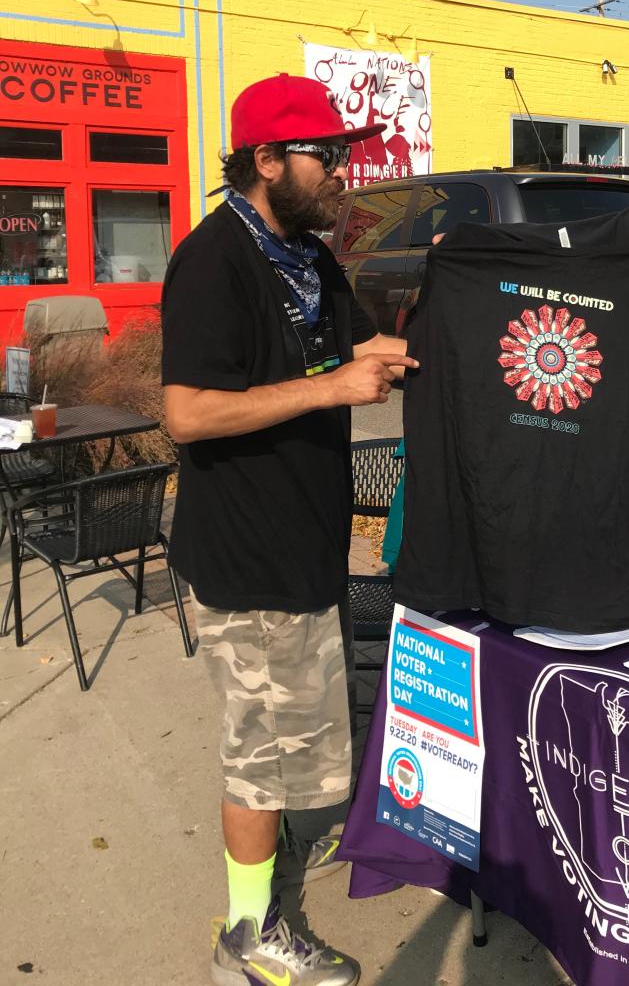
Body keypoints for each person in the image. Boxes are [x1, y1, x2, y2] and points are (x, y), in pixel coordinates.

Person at [161, 73, 417, 986]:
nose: (345, 170)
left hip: (303, 544)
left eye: (345, 152)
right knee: (262, 757)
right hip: (248, 554)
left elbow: (341, 351)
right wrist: (332, 388)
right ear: (268, 160)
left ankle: (260, 902)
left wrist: (392, 355)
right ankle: (247, 935)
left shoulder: (306, 256)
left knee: (288, 742)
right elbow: (187, 414)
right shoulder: (214, 262)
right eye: (329, 155)